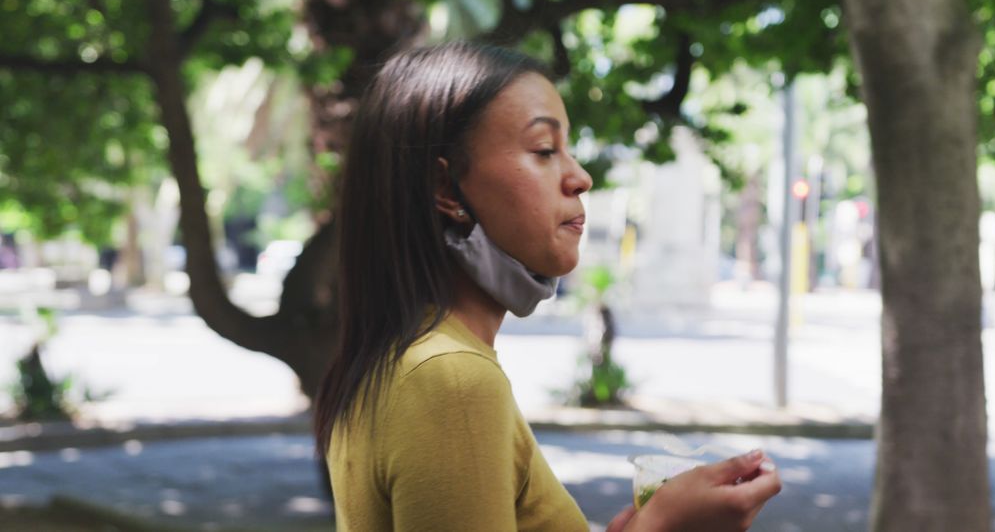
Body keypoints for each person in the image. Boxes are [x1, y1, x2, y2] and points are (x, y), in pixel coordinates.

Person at [313, 41, 782, 531]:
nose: (579, 177)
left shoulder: (402, 359)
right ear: (446, 189)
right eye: (544, 150)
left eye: (569, 151)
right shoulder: (451, 380)